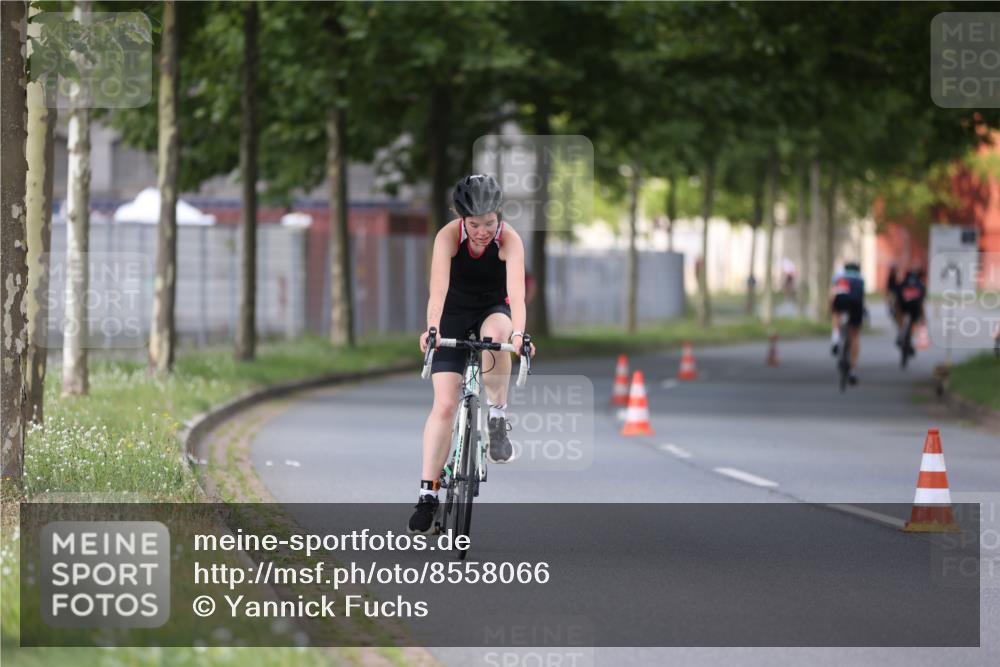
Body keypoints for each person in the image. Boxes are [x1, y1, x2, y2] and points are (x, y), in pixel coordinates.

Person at [409, 174, 536, 534]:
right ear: (460, 217)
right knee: (445, 404)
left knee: (497, 336)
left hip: (492, 309)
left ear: (499, 216)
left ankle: (497, 417)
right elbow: (437, 291)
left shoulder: (509, 240)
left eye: (490, 223)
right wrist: (432, 329)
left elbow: (517, 295)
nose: (483, 231)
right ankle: (428, 493)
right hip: (453, 312)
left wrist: (520, 335)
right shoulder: (448, 237)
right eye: (475, 224)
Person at [829, 261, 865, 385]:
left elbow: (832, 294)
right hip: (855, 304)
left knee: (836, 313)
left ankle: (835, 338)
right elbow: (861, 297)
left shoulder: (839, 276)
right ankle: (853, 370)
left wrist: (831, 307)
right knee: (855, 335)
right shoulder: (860, 278)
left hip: (840, 300)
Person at [896, 266, 927, 352]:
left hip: (904, 304)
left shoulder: (903, 283)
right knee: (914, 321)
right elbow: (921, 302)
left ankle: (901, 332)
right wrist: (923, 316)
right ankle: (910, 338)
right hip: (915, 305)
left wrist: (897, 312)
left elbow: (898, 299)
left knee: (900, 314)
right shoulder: (920, 284)